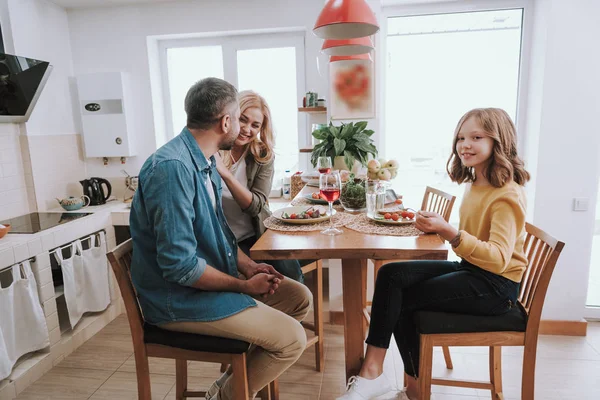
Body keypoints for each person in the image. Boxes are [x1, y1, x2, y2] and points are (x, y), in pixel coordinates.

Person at [129, 77, 312, 400]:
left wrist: (249, 268)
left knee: (297, 296)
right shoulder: (173, 168)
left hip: (196, 290)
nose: (245, 128)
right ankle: (228, 395)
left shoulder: (204, 162)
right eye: (239, 118)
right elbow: (181, 268)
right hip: (178, 301)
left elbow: (222, 235)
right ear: (226, 121)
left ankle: (230, 384)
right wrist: (242, 286)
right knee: (292, 339)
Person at [337, 108, 530, 400]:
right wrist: (441, 228)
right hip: (474, 270)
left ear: (499, 141)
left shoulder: (507, 195)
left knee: (401, 299)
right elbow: (476, 241)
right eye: (461, 137)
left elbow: (499, 258)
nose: (465, 144)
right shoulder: (477, 181)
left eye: (476, 137)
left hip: (496, 287)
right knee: (391, 273)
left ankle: (405, 385)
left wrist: (450, 232)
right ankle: (375, 374)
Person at [216, 90, 304, 282]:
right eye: (242, 120)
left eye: (255, 125)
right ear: (229, 117)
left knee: (293, 277)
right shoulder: (212, 151)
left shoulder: (262, 155)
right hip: (225, 242)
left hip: (257, 234)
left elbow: (256, 206)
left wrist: (226, 175)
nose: (247, 129)